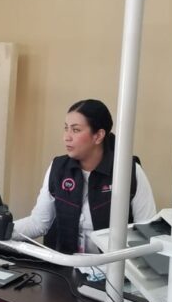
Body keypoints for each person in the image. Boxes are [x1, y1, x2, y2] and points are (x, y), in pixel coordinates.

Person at [13, 99, 157, 255]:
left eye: (75, 130)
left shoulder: (129, 171)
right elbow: (38, 224)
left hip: (112, 267)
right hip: (65, 265)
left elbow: (147, 233)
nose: (66, 137)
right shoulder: (58, 168)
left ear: (98, 135)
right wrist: (0, 228)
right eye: (66, 128)